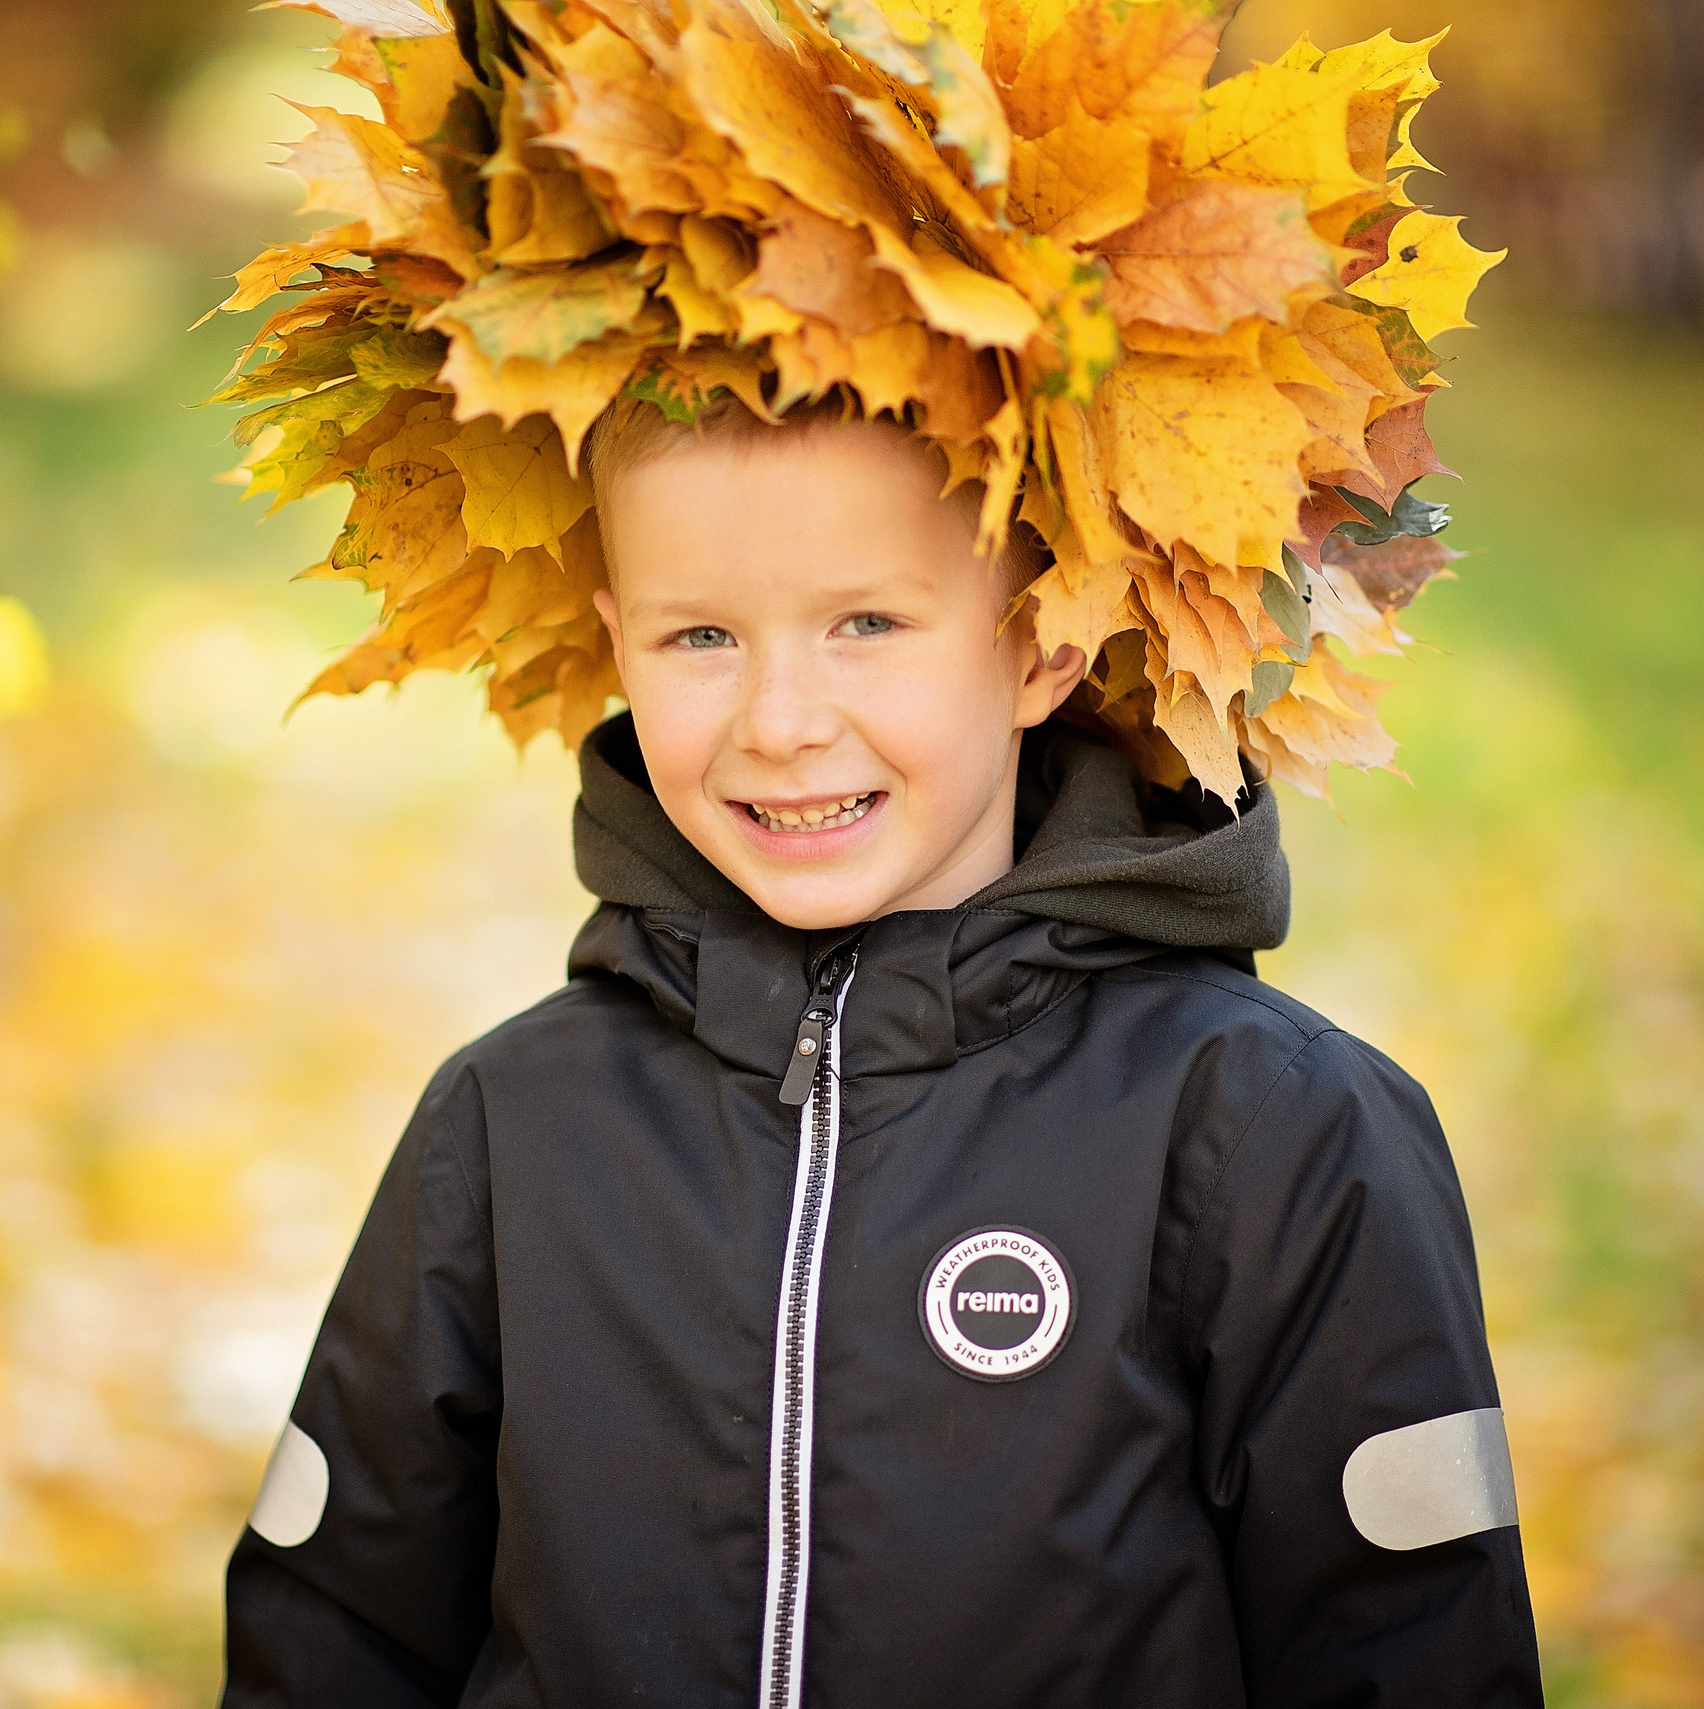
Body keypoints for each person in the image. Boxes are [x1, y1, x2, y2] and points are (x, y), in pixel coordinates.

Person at [210, 0, 1534, 1702]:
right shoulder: (510, 1127)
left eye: (865, 624)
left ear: (1041, 640)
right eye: (701, 637)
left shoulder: (1272, 1133)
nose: (781, 720)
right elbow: (335, 1639)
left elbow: (1407, 1655)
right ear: (615, 642)